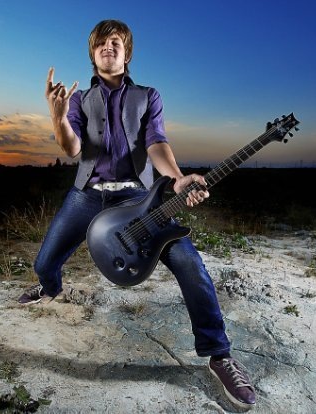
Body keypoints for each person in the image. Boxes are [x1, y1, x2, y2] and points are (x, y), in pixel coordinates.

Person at [18, 19, 256, 410]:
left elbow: (157, 142)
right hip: (87, 196)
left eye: (116, 42)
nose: (108, 47)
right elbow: (72, 149)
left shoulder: (148, 96)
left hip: (138, 197)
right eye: (101, 43)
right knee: (44, 264)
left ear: (126, 53)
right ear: (93, 54)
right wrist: (57, 117)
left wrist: (177, 179)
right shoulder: (79, 100)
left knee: (188, 261)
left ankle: (219, 355)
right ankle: (50, 288)